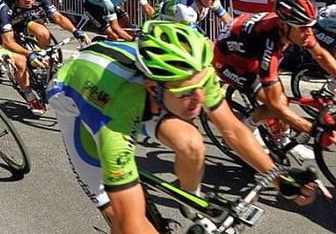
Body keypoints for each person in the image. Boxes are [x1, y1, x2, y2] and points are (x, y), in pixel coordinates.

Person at [48, 21, 320, 234]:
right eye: (187, 93)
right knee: (121, 216)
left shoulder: (194, 75)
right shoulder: (116, 113)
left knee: (191, 142)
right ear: (154, 87)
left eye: (201, 87)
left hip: (141, 90)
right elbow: (132, 223)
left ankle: (189, 202)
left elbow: (234, 131)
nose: (198, 101)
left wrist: (281, 179)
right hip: (80, 98)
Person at [213, 0, 336, 161]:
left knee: (280, 101)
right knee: (275, 104)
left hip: (248, 51)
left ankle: (283, 139)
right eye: (303, 28)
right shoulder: (268, 42)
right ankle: (245, 129)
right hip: (231, 63)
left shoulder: (294, 29)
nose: (309, 33)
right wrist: (313, 130)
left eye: (310, 26)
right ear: (284, 25)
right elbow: (277, 105)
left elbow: (320, 54)